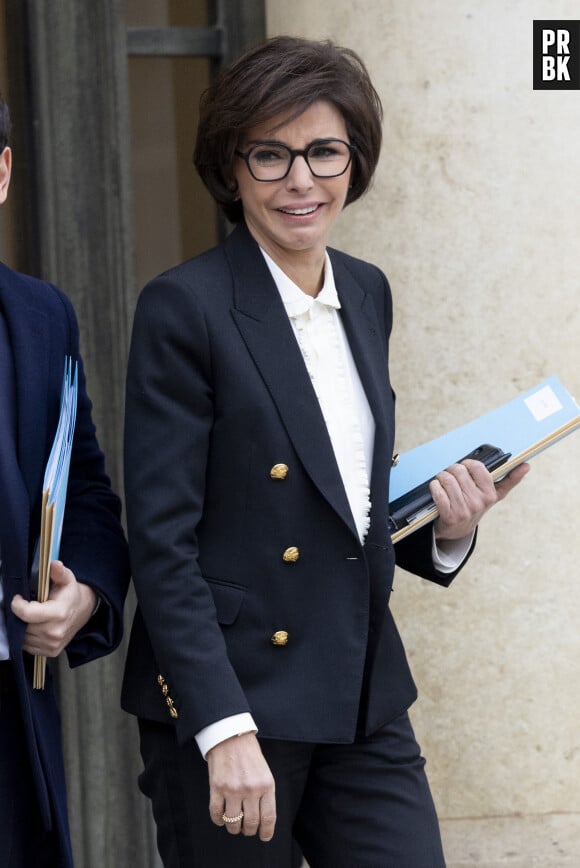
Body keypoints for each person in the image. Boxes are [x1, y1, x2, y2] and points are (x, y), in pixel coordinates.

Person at [121, 36, 529, 868]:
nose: (299, 180)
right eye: (270, 155)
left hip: (361, 689)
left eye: (323, 152)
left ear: (356, 161)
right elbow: (163, 544)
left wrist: (448, 528)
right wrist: (223, 730)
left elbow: (345, 498)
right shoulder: (185, 308)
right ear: (231, 168)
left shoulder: (367, 289)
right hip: (234, 700)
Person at [0, 94, 130, 868]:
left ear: (4, 170)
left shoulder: (42, 314)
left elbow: (84, 490)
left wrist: (82, 597)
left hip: (16, 728)